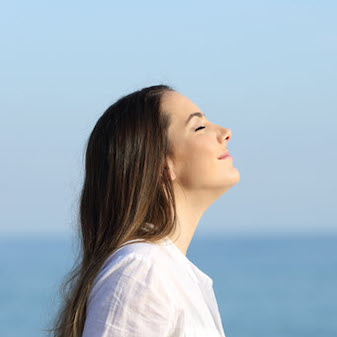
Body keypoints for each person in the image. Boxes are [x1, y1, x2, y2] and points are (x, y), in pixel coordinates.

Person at [46, 84, 240, 337]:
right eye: (199, 127)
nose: (225, 133)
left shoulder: (164, 272)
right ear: (161, 164)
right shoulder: (142, 270)